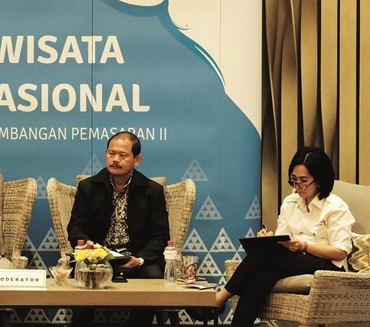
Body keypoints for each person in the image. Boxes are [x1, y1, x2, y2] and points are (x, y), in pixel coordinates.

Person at [189, 147, 355, 325]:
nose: (297, 187)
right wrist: (269, 238)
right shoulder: (290, 202)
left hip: (328, 266)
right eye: (294, 180)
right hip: (296, 259)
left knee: (265, 255)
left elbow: (341, 251)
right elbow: (283, 239)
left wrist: (304, 246)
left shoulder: (335, 207)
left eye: (303, 181)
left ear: (320, 181)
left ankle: (218, 300)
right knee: (263, 275)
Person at [66, 131, 170, 326]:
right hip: (97, 258)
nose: (115, 159)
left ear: (137, 160)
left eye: (122, 155)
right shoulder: (88, 187)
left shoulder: (152, 190)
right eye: (111, 153)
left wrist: (140, 259)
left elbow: (160, 235)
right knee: (81, 273)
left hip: (136, 259)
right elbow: (76, 226)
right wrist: (90, 248)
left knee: (154, 275)